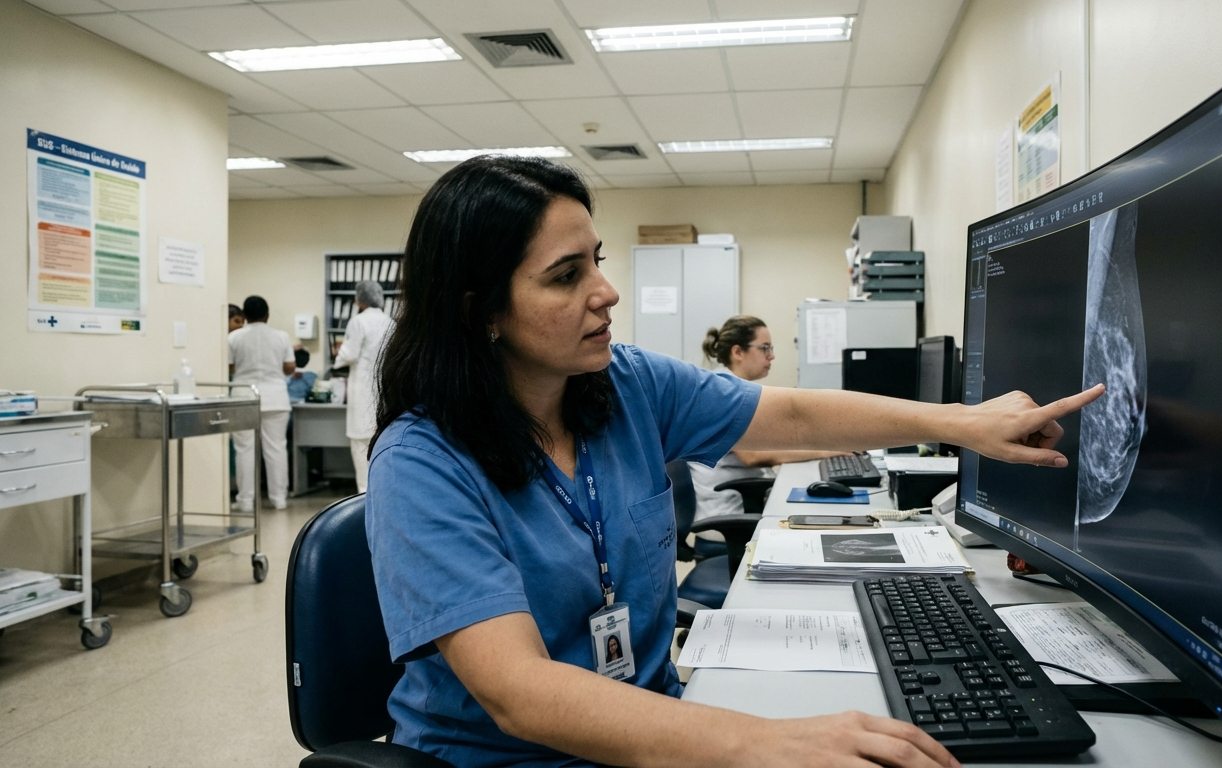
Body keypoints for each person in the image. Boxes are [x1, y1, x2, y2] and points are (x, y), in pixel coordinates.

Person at [366, 155, 1104, 767]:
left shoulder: (622, 384)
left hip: (649, 726)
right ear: (479, 311)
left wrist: (961, 423)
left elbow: (789, 412)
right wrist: (762, 742)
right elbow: (518, 693)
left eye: (596, 260)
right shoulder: (424, 463)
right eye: (566, 277)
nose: (606, 291)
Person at [690, 316, 847, 532]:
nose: (771, 356)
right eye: (765, 348)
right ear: (738, 352)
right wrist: (824, 451)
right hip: (730, 518)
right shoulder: (722, 392)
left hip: (746, 505)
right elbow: (752, 456)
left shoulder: (735, 388)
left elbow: (770, 441)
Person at [228, 295, 294, 511]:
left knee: (244, 450)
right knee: (276, 449)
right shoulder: (281, 337)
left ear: (244, 316)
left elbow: (228, 367)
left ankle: (245, 501)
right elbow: (289, 367)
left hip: (244, 397)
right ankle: (279, 498)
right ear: (267, 315)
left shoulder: (234, 338)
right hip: (275, 397)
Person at [333, 279, 393, 493]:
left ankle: (363, 502)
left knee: (361, 452)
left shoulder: (358, 322)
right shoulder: (390, 322)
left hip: (362, 395)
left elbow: (349, 354)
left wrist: (337, 354)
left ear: (359, 300)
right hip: (384, 395)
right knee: (380, 453)